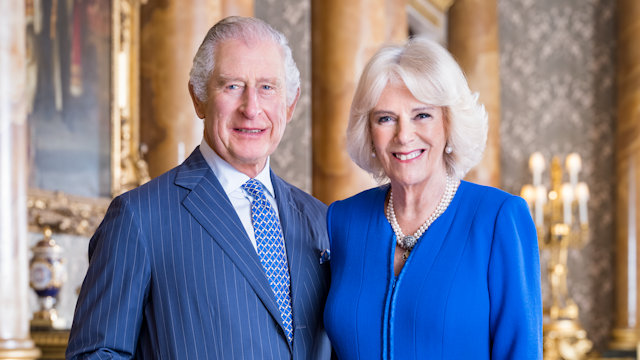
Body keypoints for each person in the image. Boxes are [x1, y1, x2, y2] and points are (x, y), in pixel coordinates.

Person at [66, 16, 331, 359]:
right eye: (232, 85)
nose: (252, 108)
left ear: (290, 104)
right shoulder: (139, 217)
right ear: (198, 98)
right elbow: (95, 354)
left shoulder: (320, 219)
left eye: (268, 87)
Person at [323, 37, 542, 359]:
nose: (404, 135)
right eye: (385, 118)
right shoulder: (342, 220)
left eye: (422, 115)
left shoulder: (498, 219)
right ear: (369, 133)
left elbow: (520, 350)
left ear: (448, 123)